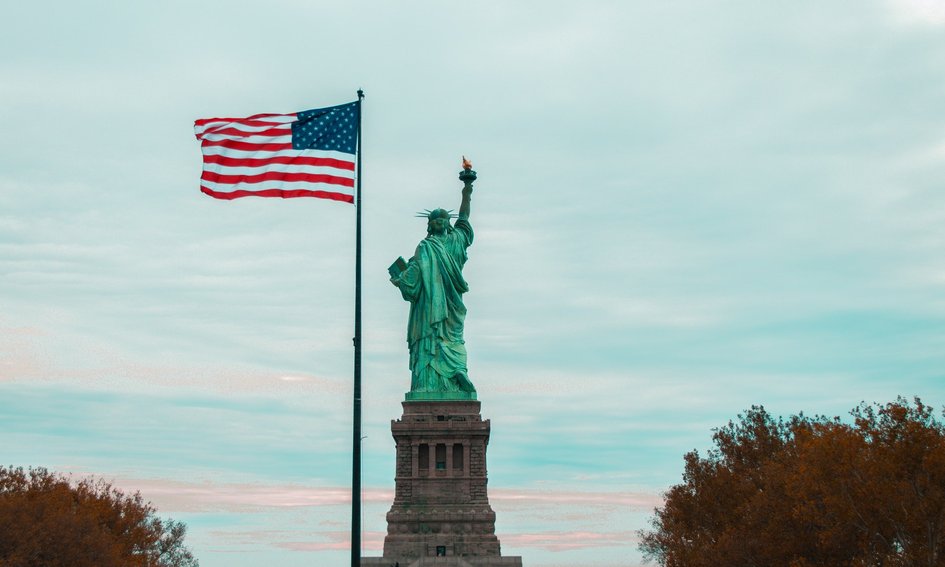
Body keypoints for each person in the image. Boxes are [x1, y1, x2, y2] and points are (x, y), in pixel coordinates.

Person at [391, 173, 476, 396]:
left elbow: (412, 279)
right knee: (451, 338)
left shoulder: (430, 245)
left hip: (438, 306)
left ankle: (443, 378)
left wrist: (400, 280)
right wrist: (467, 186)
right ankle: (453, 372)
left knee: (439, 338)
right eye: (437, 221)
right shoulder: (444, 242)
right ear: (432, 225)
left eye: (441, 220)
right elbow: (415, 275)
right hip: (438, 304)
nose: (439, 223)